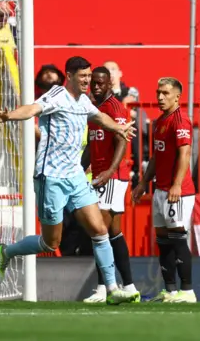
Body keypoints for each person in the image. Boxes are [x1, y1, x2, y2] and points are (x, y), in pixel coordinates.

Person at [0, 56, 138, 305]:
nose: (87, 81)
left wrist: (119, 129)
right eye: (82, 77)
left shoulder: (84, 101)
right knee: (51, 242)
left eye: (89, 77)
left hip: (76, 177)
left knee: (99, 230)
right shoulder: (56, 95)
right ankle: (6, 252)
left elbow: (100, 118)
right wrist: (10, 116)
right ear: (69, 76)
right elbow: (32, 110)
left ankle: (112, 289)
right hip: (51, 178)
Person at [132, 77, 197, 303]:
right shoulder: (160, 121)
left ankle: (187, 291)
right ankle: (170, 291)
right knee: (163, 240)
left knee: (177, 237)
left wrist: (177, 184)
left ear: (177, 96)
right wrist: (143, 183)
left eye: (165, 93)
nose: (160, 97)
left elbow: (185, 154)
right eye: (158, 92)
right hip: (160, 190)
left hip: (177, 191)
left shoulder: (181, 121)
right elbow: (156, 156)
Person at [83, 66, 138, 303]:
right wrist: (79, 167)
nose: (96, 86)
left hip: (112, 177)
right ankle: (129, 286)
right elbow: (92, 144)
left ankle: (103, 288)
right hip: (103, 174)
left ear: (109, 84)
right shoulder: (96, 109)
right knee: (113, 233)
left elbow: (122, 141)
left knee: (99, 230)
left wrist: (110, 171)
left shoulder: (115, 108)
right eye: (93, 82)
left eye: (100, 83)